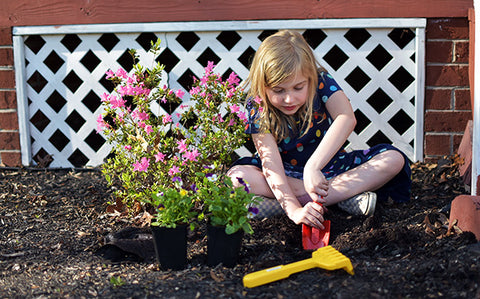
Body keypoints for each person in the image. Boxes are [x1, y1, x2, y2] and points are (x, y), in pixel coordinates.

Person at [227, 30, 411, 230]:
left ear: (309, 78)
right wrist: (294, 211)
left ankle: (283, 205)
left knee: (393, 159)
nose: (289, 99)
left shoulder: (321, 80)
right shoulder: (258, 104)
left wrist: (313, 168)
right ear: (263, 86)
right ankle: (337, 201)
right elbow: (271, 165)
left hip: (329, 170)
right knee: (237, 177)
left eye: (298, 88)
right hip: (285, 173)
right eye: (279, 91)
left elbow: (346, 117)